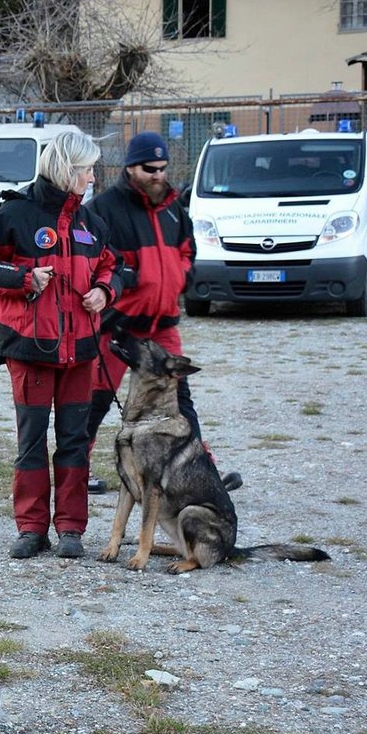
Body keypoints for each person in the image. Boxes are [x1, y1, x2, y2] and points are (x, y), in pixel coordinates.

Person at [0, 130, 117, 560]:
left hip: (81, 352)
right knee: (31, 443)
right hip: (29, 349)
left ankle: (71, 529)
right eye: (87, 169)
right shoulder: (16, 214)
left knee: (74, 440)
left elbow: (114, 265)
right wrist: (23, 280)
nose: (92, 178)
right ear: (67, 169)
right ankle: (31, 529)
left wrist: (105, 290)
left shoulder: (91, 222)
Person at [82, 132, 241, 494]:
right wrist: (129, 277)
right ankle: (76, 470)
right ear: (130, 167)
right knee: (95, 399)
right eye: (149, 168)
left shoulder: (172, 208)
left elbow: (188, 249)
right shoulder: (103, 209)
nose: (157, 175)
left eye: (162, 168)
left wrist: (180, 275)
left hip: (163, 325)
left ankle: (202, 468)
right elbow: (91, 262)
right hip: (117, 326)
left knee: (181, 401)